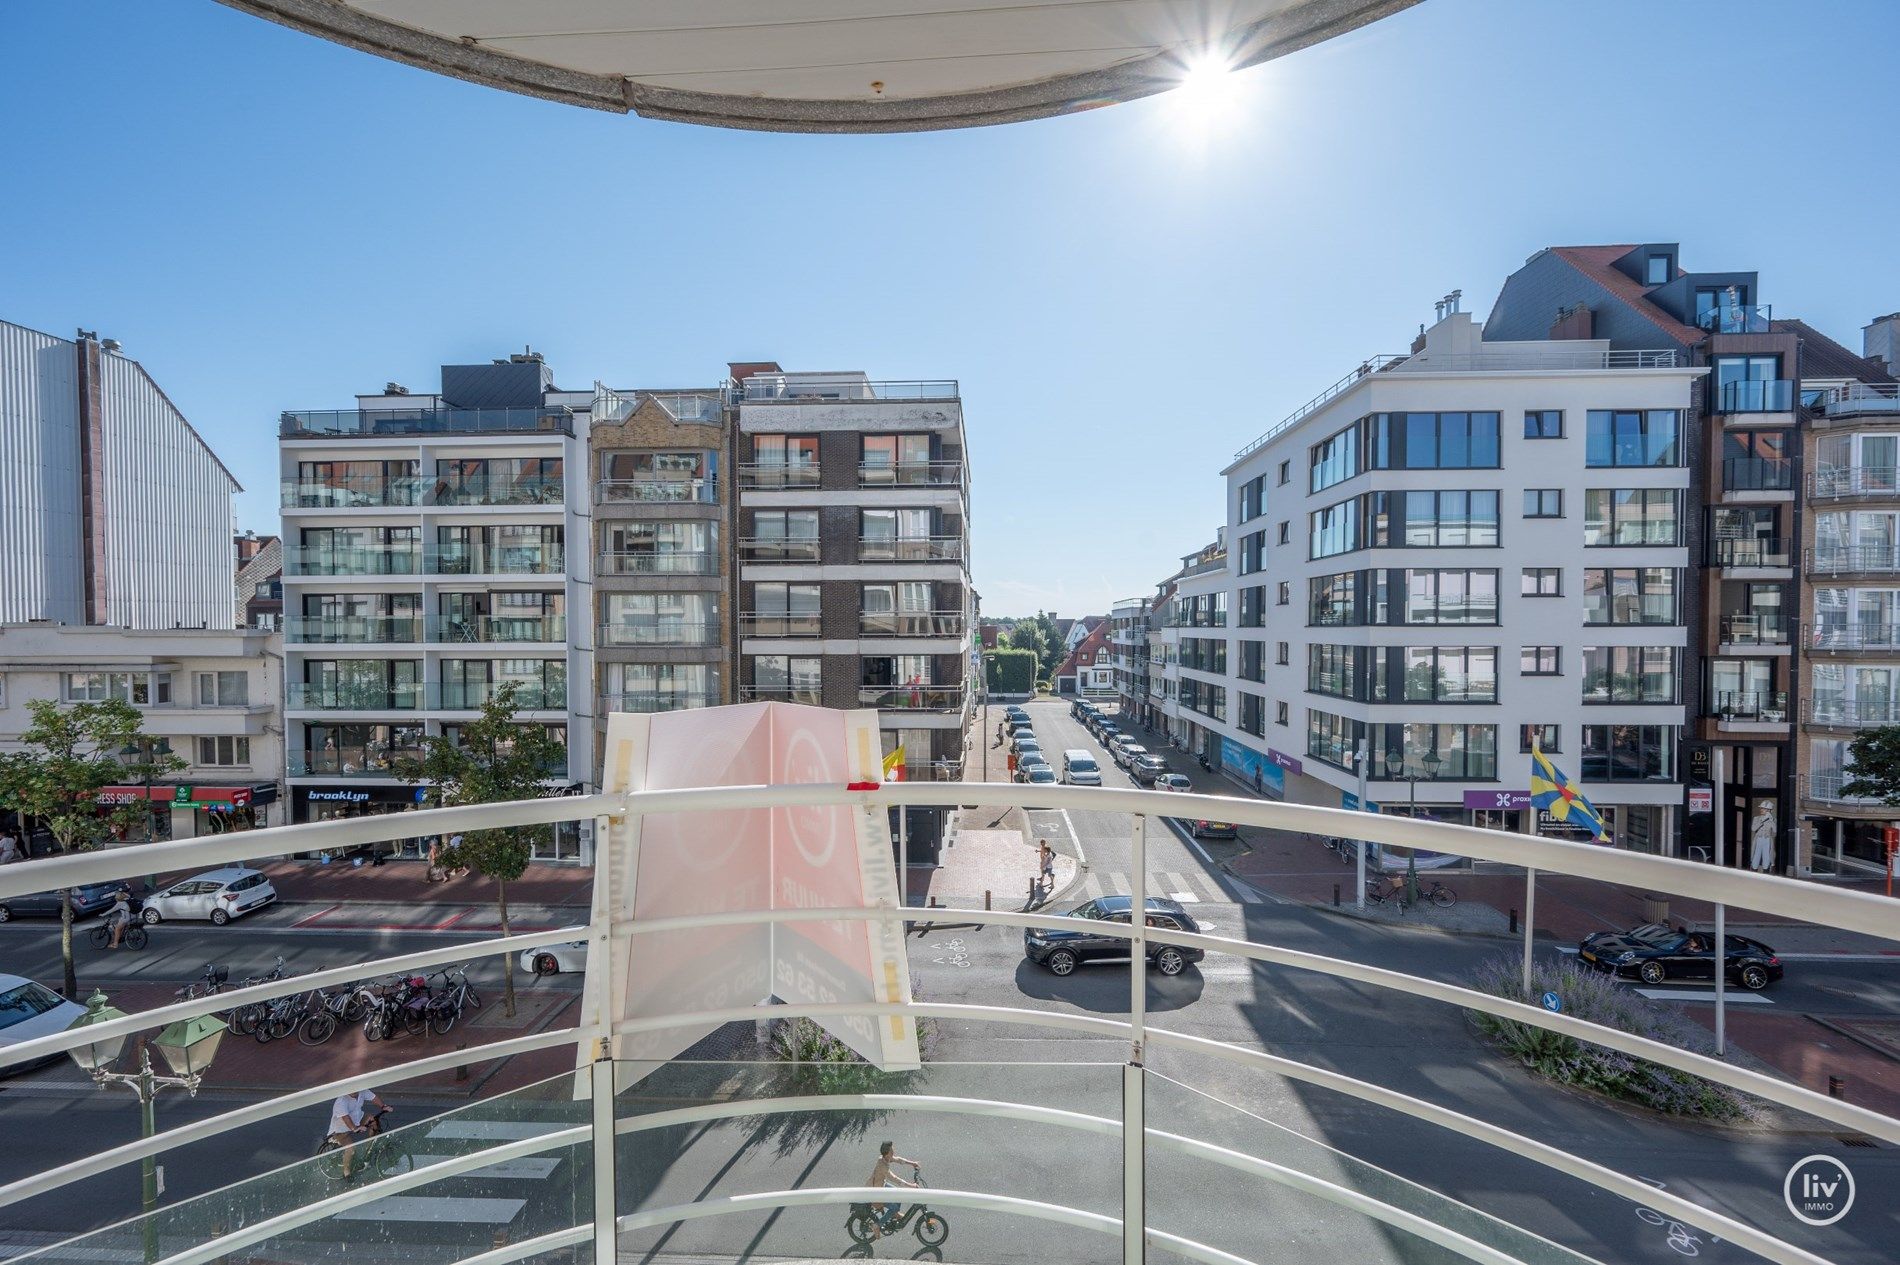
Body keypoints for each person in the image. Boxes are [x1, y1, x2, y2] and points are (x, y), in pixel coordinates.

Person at [326, 1088, 390, 1179]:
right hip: (341, 1129)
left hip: (358, 1119)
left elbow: (374, 1098)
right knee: (351, 1148)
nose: (354, 1091)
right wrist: (355, 1128)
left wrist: (383, 1106)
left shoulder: (361, 1091)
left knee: (373, 1120)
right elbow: (346, 1118)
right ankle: (346, 1172)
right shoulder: (341, 1101)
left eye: (356, 1088)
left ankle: (369, 1150)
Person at [864, 1140, 919, 1238]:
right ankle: (877, 1225)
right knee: (894, 1207)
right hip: (875, 1193)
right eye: (891, 1150)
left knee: (898, 1194)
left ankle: (894, 1214)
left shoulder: (884, 1158)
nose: (893, 1150)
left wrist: (912, 1163)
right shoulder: (882, 1166)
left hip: (881, 1185)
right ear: (887, 1153)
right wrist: (911, 1185)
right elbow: (895, 1178)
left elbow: (898, 1159)